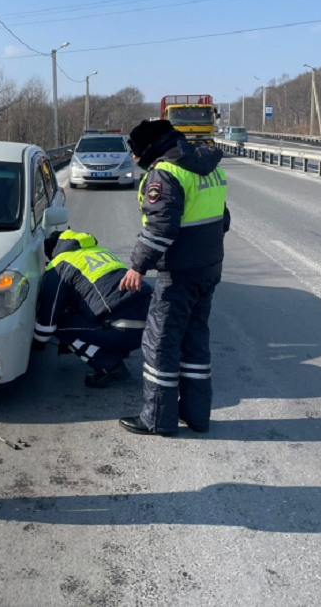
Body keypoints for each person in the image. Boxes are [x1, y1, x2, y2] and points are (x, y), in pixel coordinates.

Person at [118, 119, 230, 436]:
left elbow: (161, 229)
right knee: (195, 344)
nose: (138, 161)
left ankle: (157, 419)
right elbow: (223, 218)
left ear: (149, 149)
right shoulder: (209, 167)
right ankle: (196, 416)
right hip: (209, 267)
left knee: (161, 344)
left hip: (178, 272)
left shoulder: (166, 172)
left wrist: (137, 266)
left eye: (137, 153)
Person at [33, 229, 153, 388]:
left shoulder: (60, 264)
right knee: (90, 309)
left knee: (61, 325)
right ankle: (113, 348)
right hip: (152, 321)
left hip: (123, 328)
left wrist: (39, 343)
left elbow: (47, 320)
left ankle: (110, 367)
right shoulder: (98, 251)